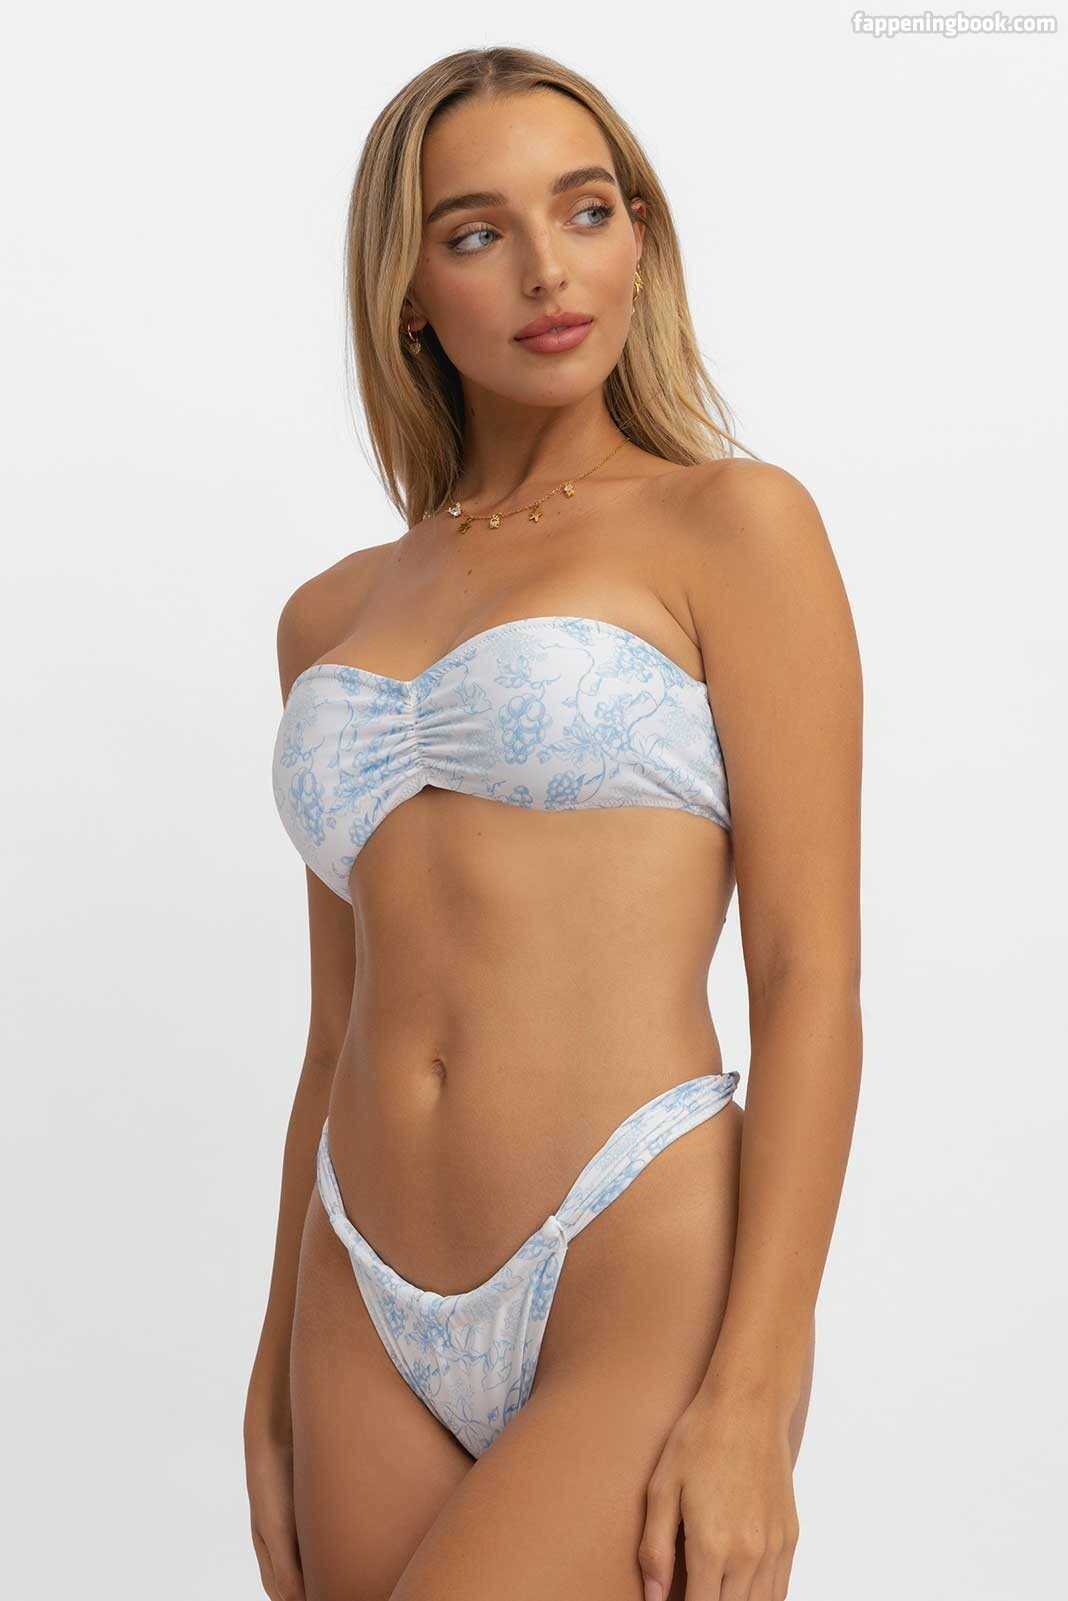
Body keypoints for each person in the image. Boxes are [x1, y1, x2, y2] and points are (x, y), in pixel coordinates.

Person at [244, 44, 863, 1601]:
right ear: (408, 290)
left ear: (640, 238)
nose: (546, 268)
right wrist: (270, 1374)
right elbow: (336, 1026)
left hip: (632, 1257)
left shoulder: (733, 526)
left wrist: (756, 1396)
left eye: (587, 210)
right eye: (478, 232)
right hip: (357, 1282)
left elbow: (807, 974)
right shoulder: (326, 617)